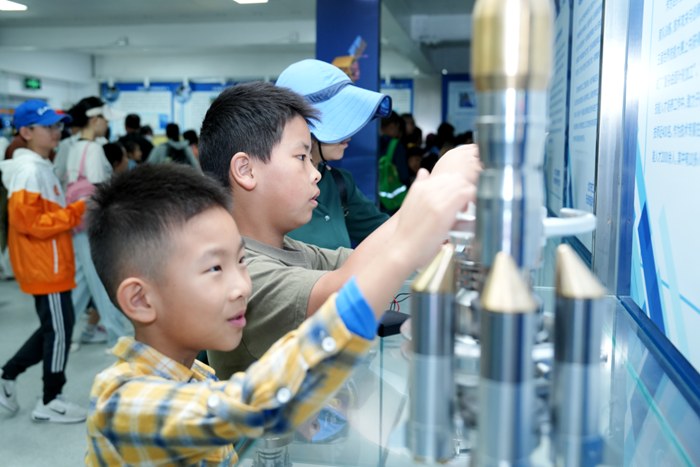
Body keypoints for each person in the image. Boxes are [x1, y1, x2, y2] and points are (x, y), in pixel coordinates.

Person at [85, 156, 471, 466]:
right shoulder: (122, 402)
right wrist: (403, 251)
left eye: (241, 261)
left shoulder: (197, 376)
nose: (242, 285)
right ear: (140, 300)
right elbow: (255, 401)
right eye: (215, 268)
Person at [199, 82, 480, 379]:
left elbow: (363, 264)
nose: (315, 173)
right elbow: (346, 292)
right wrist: (434, 188)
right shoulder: (243, 273)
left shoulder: (290, 249)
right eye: (301, 157)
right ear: (246, 170)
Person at [0, 100, 87, 423]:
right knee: (60, 331)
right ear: (26, 132)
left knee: (57, 328)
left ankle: (8, 374)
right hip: (44, 264)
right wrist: (78, 210)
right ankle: (51, 399)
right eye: (48, 126)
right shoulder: (30, 170)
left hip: (51, 262)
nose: (56, 131)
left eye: (57, 125)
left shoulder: (40, 165)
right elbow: (30, 223)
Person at [276, 59, 391, 249]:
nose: (349, 135)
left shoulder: (339, 182)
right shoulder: (267, 188)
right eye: (338, 123)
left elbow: (385, 231)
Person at [66, 97, 131, 350]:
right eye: (105, 120)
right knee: (102, 279)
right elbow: (99, 187)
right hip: (94, 222)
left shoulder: (73, 146)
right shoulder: (93, 149)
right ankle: (117, 338)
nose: (107, 125)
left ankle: (63, 332)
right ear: (95, 120)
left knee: (83, 281)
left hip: (77, 221)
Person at [380, 111, 411, 187]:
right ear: (392, 127)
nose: (399, 134)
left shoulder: (368, 143)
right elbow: (404, 177)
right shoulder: (396, 145)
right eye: (398, 128)